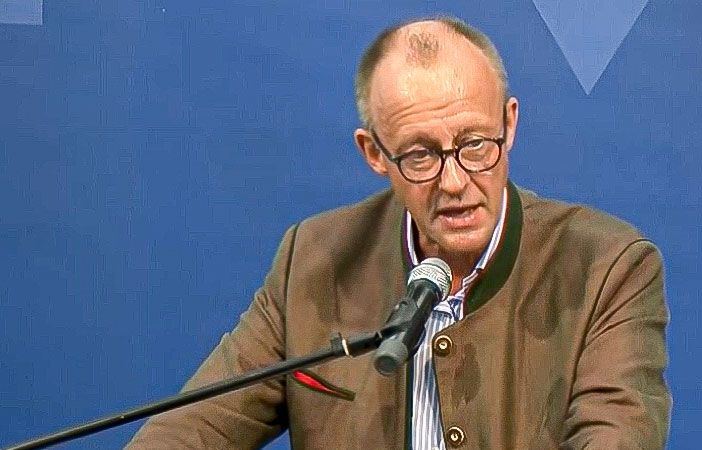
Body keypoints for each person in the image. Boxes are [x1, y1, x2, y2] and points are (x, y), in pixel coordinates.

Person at [127, 16, 670, 450]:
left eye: (475, 144)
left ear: (509, 124)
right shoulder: (312, 261)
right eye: (420, 155)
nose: (454, 182)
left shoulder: (606, 267)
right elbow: (191, 429)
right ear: (374, 154)